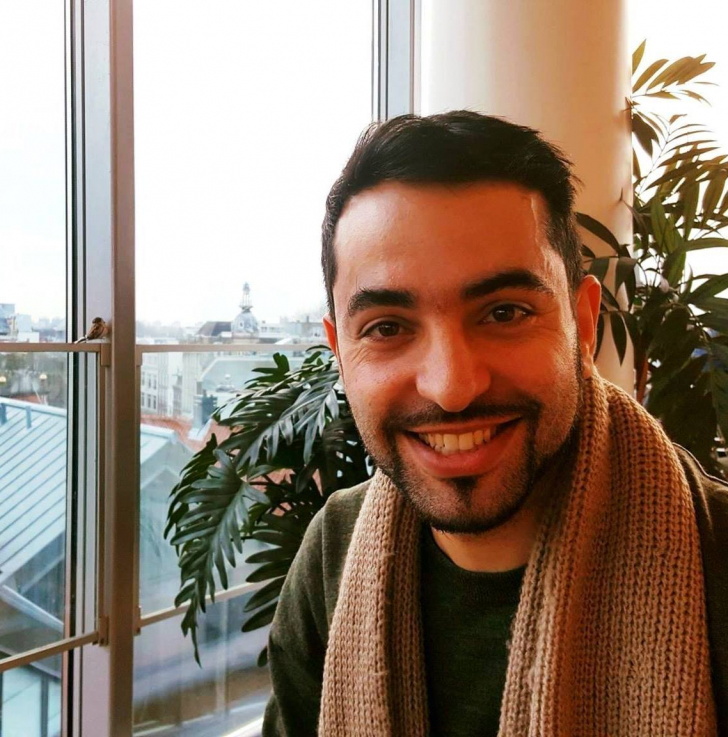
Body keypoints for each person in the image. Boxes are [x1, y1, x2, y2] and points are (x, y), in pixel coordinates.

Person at [262, 111, 728, 736]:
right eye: (387, 328)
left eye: (504, 313)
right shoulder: (333, 556)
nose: (451, 387)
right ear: (341, 353)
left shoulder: (715, 561)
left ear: (582, 324)